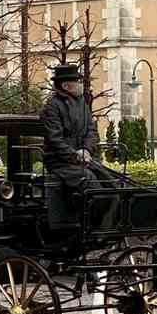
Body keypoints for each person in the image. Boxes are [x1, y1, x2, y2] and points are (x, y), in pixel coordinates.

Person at [40, 64, 121, 225]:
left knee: (114, 183)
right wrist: (74, 154)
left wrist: (86, 149)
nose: (80, 84)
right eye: (76, 81)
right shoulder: (52, 107)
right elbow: (55, 139)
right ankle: (88, 227)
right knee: (92, 185)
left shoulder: (82, 103)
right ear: (65, 85)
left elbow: (91, 131)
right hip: (60, 163)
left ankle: (105, 229)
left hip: (83, 160)